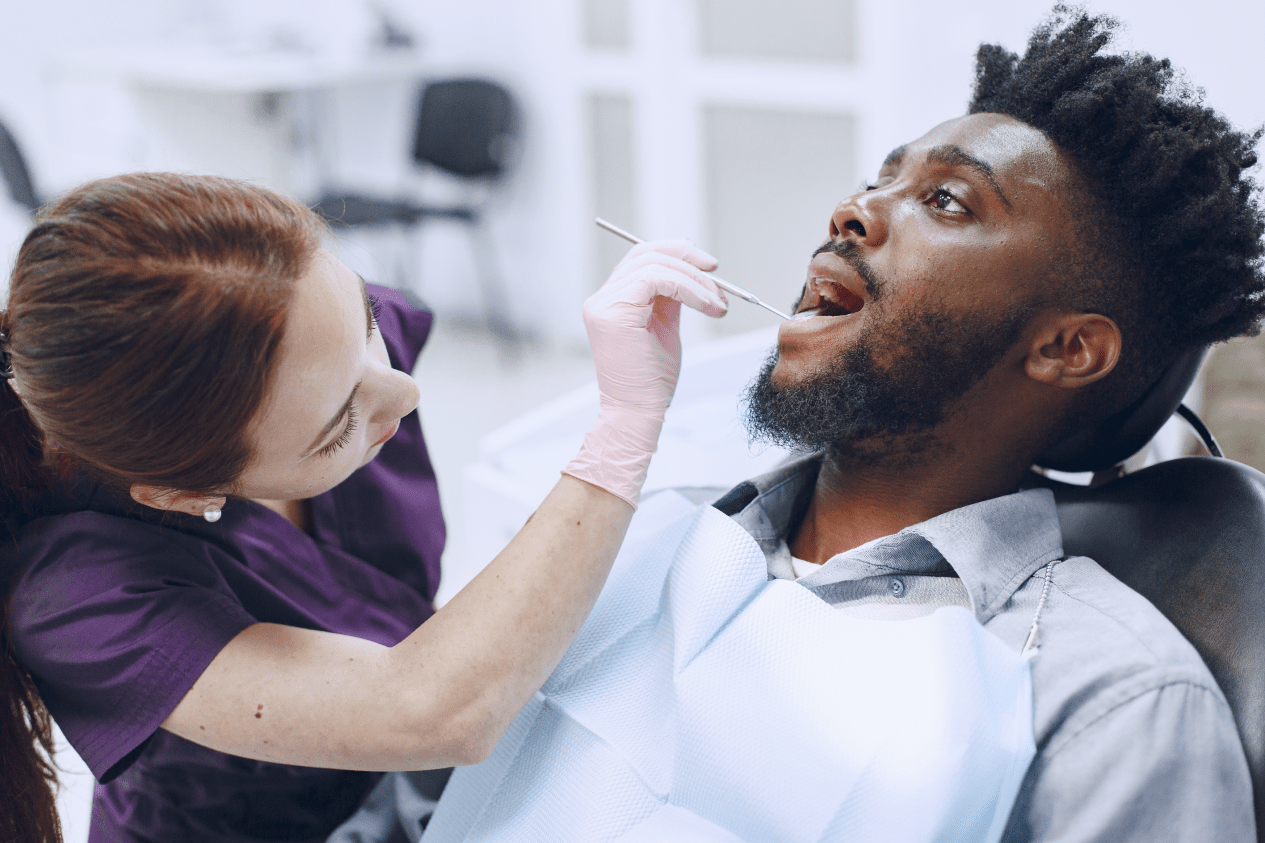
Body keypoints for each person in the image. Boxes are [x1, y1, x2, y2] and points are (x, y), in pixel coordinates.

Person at [408, 8, 1263, 842]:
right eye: (879, 177)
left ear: (1065, 348)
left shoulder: (1109, 699)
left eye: (949, 202)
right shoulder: (620, 544)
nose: (853, 210)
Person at [0, 172, 728, 842]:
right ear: (182, 494)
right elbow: (429, 708)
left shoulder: (305, 333)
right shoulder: (78, 597)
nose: (400, 393)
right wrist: (624, 426)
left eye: (368, 318)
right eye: (338, 425)